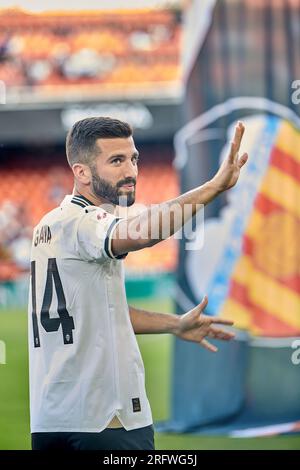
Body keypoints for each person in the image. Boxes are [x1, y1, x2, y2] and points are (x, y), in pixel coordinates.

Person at [28, 117, 248, 450]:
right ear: (81, 172)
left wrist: (174, 324)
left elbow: (97, 312)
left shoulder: (49, 224)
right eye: (116, 160)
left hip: (51, 420)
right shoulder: (85, 222)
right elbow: (142, 233)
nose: (131, 170)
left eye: (134, 159)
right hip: (106, 420)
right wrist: (214, 187)